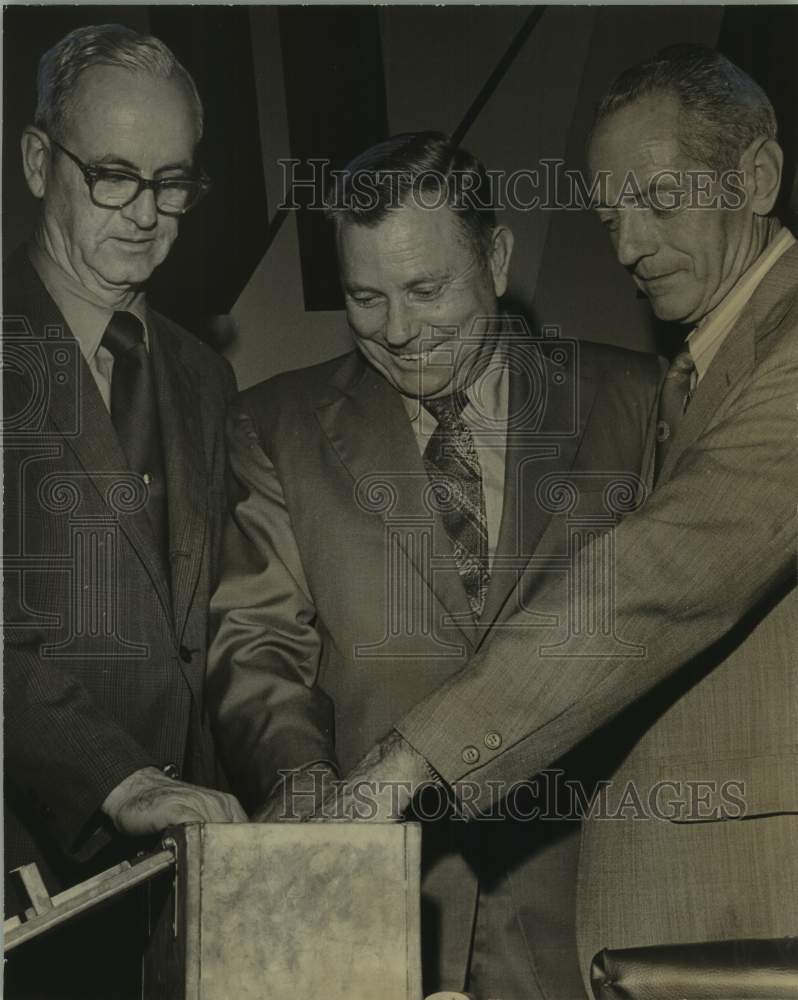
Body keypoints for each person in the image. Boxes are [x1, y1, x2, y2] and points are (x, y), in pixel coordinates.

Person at [328, 47, 798, 994]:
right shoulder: (699, 365)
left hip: (748, 899)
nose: (627, 245)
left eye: (659, 199)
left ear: (756, 177)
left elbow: (656, 581)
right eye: (610, 209)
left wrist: (408, 761)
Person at [207, 131, 662, 998]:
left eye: (426, 288)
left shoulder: (635, 403)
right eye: (365, 297)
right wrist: (309, 795)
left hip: (588, 910)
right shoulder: (276, 425)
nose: (400, 331)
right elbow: (256, 644)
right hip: (380, 907)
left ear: (495, 257)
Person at [3, 23, 246, 998]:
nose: (147, 214)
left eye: (173, 181)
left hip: (186, 898)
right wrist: (118, 778)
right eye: (113, 174)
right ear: (36, 161)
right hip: (32, 880)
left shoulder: (204, 372)